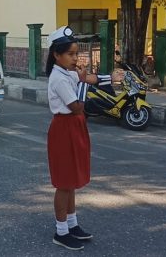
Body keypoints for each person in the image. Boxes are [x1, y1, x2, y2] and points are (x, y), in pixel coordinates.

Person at [44, 26, 122, 250]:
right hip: (64, 127)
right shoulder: (58, 78)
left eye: (76, 53)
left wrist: (111, 77)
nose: (75, 58)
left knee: (72, 181)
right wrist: (81, 83)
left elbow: (89, 78)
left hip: (74, 127)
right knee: (64, 183)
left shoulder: (66, 71)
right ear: (56, 55)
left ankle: (72, 224)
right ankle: (61, 232)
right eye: (70, 54)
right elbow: (77, 106)